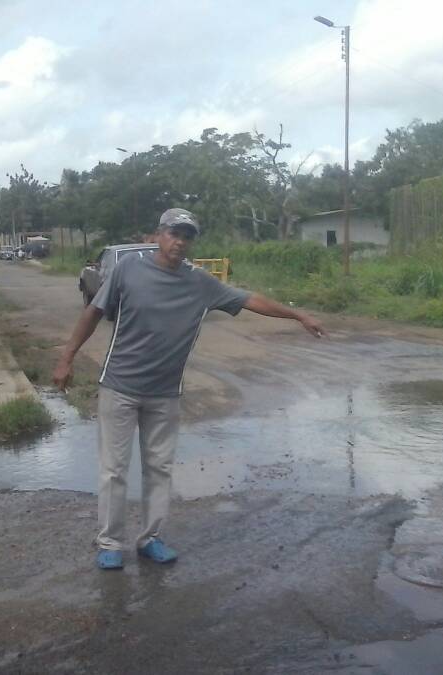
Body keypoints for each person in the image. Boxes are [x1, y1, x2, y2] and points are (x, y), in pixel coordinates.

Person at [52, 208, 326, 570]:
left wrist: (298, 315)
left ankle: (150, 538)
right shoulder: (127, 270)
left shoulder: (200, 282)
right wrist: (67, 357)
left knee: (159, 468)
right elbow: (93, 313)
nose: (179, 241)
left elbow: (249, 300)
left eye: (186, 236)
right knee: (114, 469)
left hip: (165, 392)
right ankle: (110, 543)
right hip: (119, 386)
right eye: (172, 233)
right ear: (157, 235)